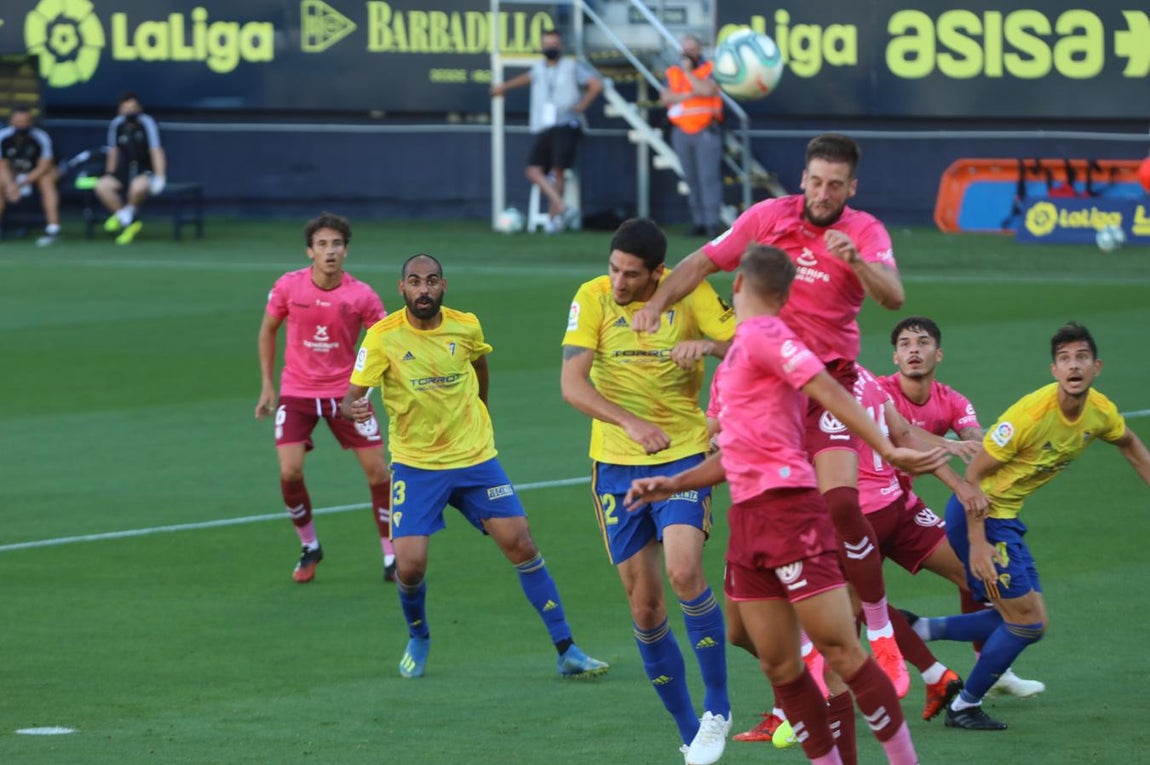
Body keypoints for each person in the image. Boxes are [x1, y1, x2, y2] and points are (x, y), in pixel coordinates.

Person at [626, 244, 948, 765]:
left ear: (738, 286)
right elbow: (736, 451)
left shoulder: (766, 336)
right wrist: (674, 482)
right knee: (777, 664)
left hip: (791, 514)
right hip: (749, 519)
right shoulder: (744, 354)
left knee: (841, 652)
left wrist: (887, 447)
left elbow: (828, 388)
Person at [632, 132, 912, 694]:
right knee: (745, 610)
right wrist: (658, 303)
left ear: (852, 188)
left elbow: (893, 297)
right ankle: (807, 659)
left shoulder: (864, 232)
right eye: (816, 182)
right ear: (802, 179)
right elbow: (702, 260)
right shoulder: (767, 218)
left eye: (836, 185)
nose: (824, 193)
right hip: (768, 396)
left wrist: (857, 262)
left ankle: (881, 631)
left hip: (828, 382)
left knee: (841, 501)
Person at [342, 253, 609, 680]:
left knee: (521, 543)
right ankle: (419, 636)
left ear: (443, 286)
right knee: (409, 565)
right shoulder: (381, 337)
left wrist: (480, 408)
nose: (424, 289)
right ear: (402, 288)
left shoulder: (466, 326)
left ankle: (567, 649)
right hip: (416, 465)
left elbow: (480, 364)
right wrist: (353, 408)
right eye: (415, 281)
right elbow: (351, 397)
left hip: (475, 459)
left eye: (432, 281)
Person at [904, 322, 1150, 730]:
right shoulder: (1030, 417)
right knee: (1026, 622)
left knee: (1031, 620)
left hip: (1006, 518)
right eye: (1065, 359)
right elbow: (973, 477)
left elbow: (1131, 445)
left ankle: (917, 628)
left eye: (1082, 358)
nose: (1074, 366)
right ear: (1054, 370)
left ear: (1097, 367)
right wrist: (978, 544)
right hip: (979, 516)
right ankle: (964, 706)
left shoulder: (1101, 411)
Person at [560, 218, 734, 764]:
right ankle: (690, 733)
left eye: (631, 274)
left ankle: (718, 708)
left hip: (682, 454)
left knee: (683, 572)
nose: (618, 282)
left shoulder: (692, 293)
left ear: (659, 273)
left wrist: (707, 346)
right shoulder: (592, 297)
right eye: (614, 269)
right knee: (645, 607)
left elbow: (752, 348)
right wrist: (630, 423)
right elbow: (571, 385)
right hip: (616, 468)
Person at [881, 315, 1046, 701]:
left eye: (922, 343)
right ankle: (833, 690)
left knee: (975, 573)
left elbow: (975, 438)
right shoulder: (878, 391)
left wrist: (1000, 449)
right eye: (905, 344)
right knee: (846, 601)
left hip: (902, 507)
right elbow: (901, 432)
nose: (914, 350)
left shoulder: (952, 400)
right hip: (861, 508)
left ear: (938, 353)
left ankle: (993, 665)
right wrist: (949, 445)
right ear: (895, 357)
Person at [255, 212, 396, 583]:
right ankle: (310, 545)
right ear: (310, 251)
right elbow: (268, 330)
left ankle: (391, 555)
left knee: (378, 471)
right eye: (322, 245)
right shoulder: (288, 287)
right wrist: (268, 385)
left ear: (346, 251)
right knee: (289, 470)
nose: (330, 251)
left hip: (345, 394)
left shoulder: (362, 295)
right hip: (297, 392)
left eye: (336, 244)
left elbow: (384, 342)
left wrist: (372, 388)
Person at [489, 28, 602, 233]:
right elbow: (526, 78)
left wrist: (581, 106)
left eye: (554, 44)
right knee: (533, 170)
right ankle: (562, 207)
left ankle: (554, 220)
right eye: (547, 44)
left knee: (558, 170)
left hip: (565, 124)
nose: (551, 47)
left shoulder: (571, 66)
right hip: (544, 126)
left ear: (561, 46)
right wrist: (504, 87)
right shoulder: (539, 68)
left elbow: (595, 85)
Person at [661, 34, 724, 238]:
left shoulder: (709, 68)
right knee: (691, 178)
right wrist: (688, 94)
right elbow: (666, 97)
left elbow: (707, 90)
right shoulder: (673, 71)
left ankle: (712, 222)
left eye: (692, 50)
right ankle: (698, 221)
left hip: (705, 130)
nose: (688, 54)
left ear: (699, 50)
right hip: (681, 130)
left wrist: (688, 74)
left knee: (708, 178)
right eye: (685, 50)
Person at [96, 92, 167, 245]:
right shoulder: (117, 124)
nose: (130, 111)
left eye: (133, 107)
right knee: (102, 186)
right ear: (120, 110)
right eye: (126, 108)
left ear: (139, 108)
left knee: (136, 187)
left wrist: (160, 177)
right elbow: (113, 151)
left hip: (145, 170)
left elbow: (156, 150)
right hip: (124, 170)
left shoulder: (147, 122)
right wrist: (109, 172)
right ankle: (127, 220)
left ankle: (126, 216)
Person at [0, 108, 61, 246]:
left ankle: (53, 229)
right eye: (18, 122)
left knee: (47, 180)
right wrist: (10, 185)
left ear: (31, 122)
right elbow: (2, 165)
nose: (22, 125)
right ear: (11, 122)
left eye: (25, 121)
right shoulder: (3, 136)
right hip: (12, 173)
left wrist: (20, 184)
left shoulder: (40, 136)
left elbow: (44, 165)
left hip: (36, 172)